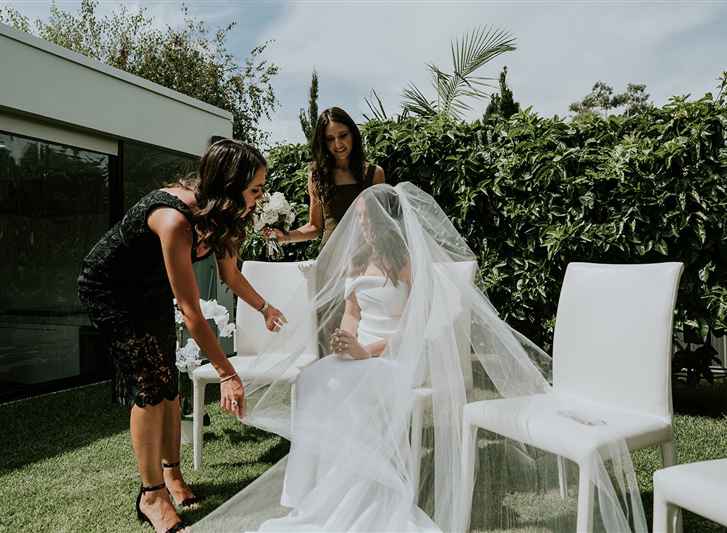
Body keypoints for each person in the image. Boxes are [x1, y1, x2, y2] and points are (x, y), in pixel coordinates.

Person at [195, 183, 647, 533]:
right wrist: (343, 341)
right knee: (314, 381)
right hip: (359, 354)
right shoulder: (357, 264)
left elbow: (413, 330)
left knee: (350, 385)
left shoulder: (409, 266)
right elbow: (352, 314)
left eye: (370, 223)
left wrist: (364, 351)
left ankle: (365, 488)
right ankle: (314, 492)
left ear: (390, 224)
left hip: (396, 357)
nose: (364, 230)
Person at [78, 139, 285, 533]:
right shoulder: (173, 219)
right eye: (255, 189)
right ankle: (151, 496)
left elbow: (231, 275)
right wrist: (227, 373)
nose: (260, 198)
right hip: (110, 290)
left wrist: (265, 308)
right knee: (149, 386)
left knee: (168, 384)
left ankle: (172, 476)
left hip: (151, 287)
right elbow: (191, 313)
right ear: (229, 184)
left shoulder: (225, 218)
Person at [266, 107, 385, 247]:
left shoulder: (375, 174)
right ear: (323, 142)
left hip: (366, 257)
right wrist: (285, 237)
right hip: (330, 258)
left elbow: (381, 225)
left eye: (343, 135)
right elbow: (315, 227)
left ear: (353, 134)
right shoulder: (317, 176)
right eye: (330, 139)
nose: (338, 144)